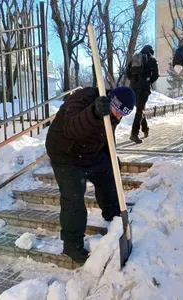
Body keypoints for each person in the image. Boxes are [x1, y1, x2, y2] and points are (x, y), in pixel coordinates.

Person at [45, 86, 136, 263]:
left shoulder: (113, 112)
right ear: (110, 100)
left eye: (123, 115)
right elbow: (72, 128)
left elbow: (106, 137)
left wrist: (112, 159)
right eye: (117, 112)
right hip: (66, 155)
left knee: (110, 171)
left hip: (89, 153)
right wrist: (94, 112)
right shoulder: (83, 98)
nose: (118, 117)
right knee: (74, 199)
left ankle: (113, 213)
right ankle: (72, 246)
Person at [126, 45, 159, 143]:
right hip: (143, 87)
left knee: (140, 108)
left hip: (133, 87)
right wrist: (148, 81)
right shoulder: (151, 60)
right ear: (150, 52)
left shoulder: (134, 59)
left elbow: (127, 72)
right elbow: (156, 74)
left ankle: (145, 129)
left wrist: (133, 81)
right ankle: (134, 134)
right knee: (140, 109)